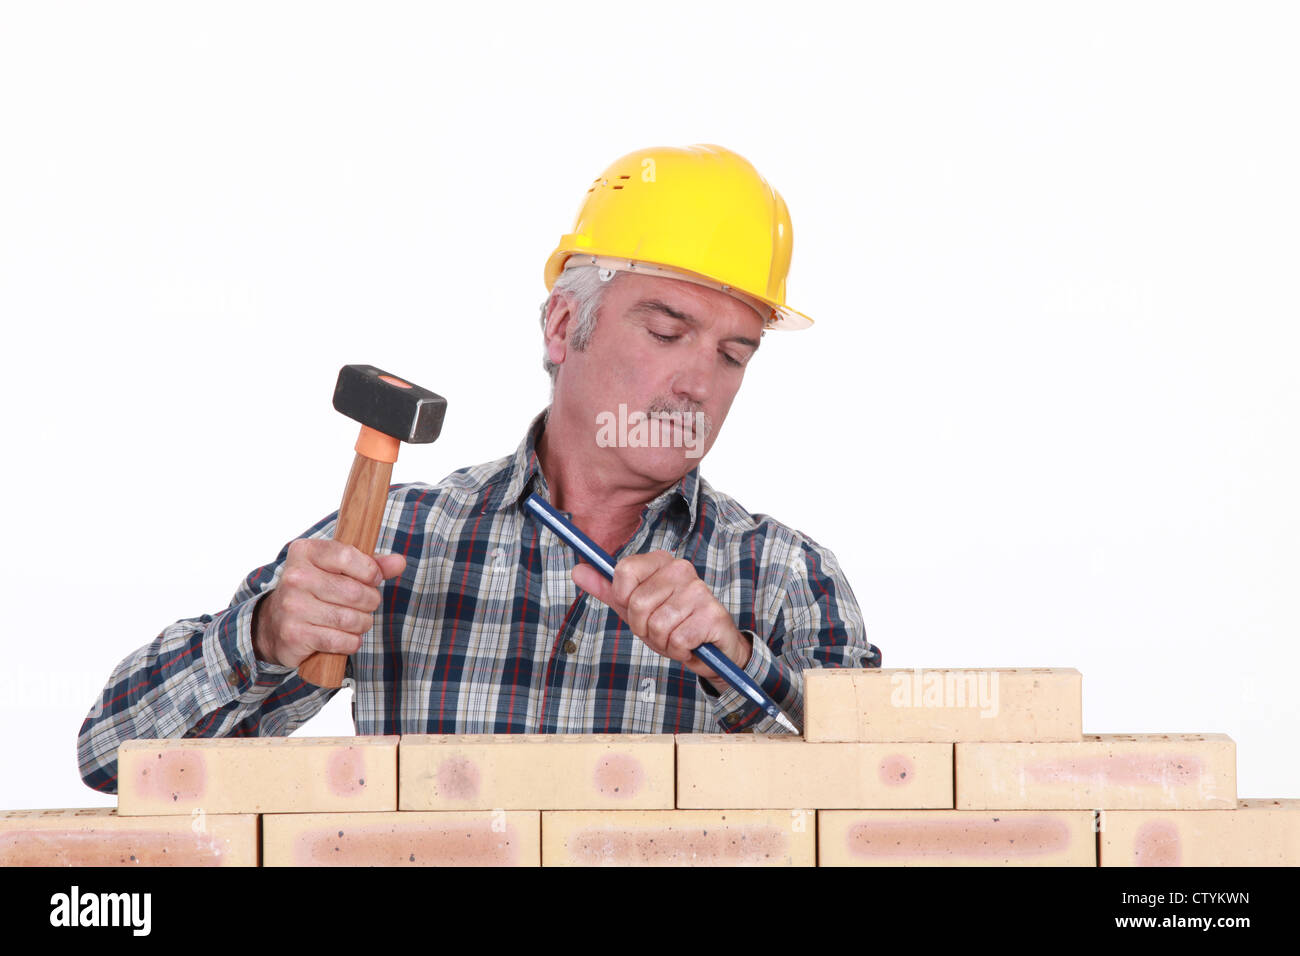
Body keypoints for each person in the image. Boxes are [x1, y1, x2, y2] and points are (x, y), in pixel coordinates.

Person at [78, 144, 880, 795]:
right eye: (668, 332)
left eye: (733, 354)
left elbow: (886, 799)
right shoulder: (399, 538)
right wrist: (264, 635)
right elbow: (111, 756)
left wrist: (736, 664)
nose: (697, 382)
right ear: (567, 325)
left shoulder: (783, 577)